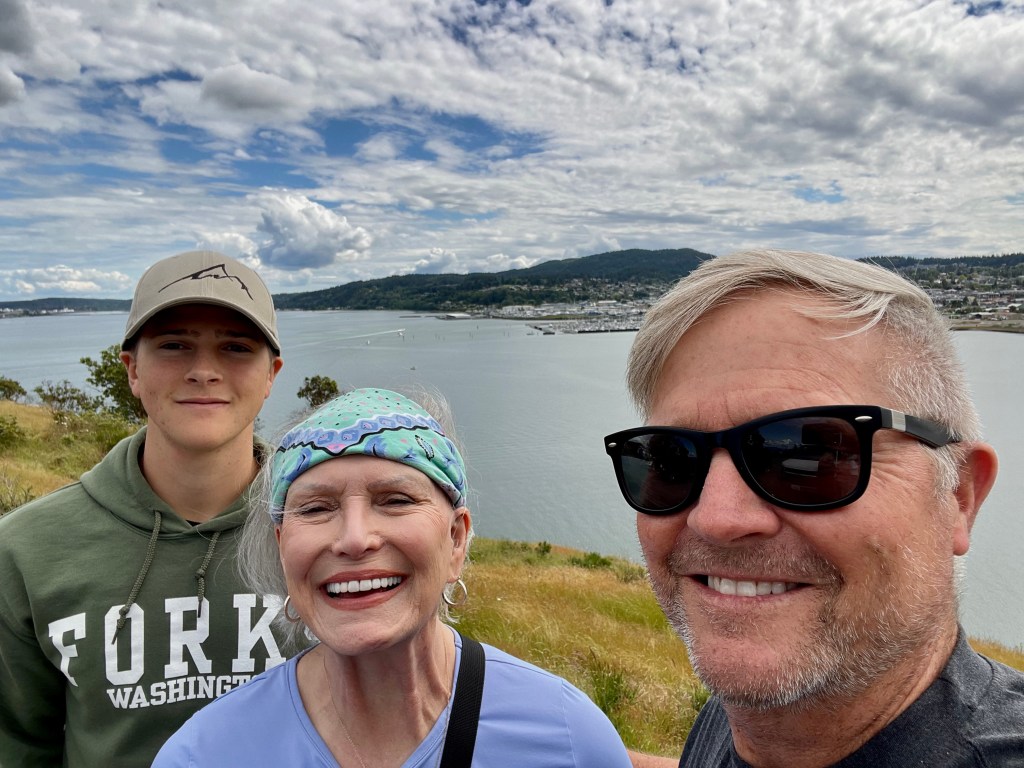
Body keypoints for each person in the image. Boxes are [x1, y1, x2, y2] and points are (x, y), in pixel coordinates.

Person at [603, 249, 1024, 767]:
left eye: (806, 453)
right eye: (671, 459)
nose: (717, 519)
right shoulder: (744, 717)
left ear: (959, 495)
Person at [153, 387, 634, 767]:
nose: (354, 539)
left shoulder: (570, 740)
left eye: (396, 500)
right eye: (316, 508)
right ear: (283, 548)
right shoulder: (205, 754)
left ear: (456, 540)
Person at [0, 250, 287, 767]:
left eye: (236, 347)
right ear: (132, 369)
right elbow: (18, 744)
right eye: (174, 345)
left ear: (271, 375)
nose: (204, 371)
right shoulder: (26, 549)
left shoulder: (330, 533)